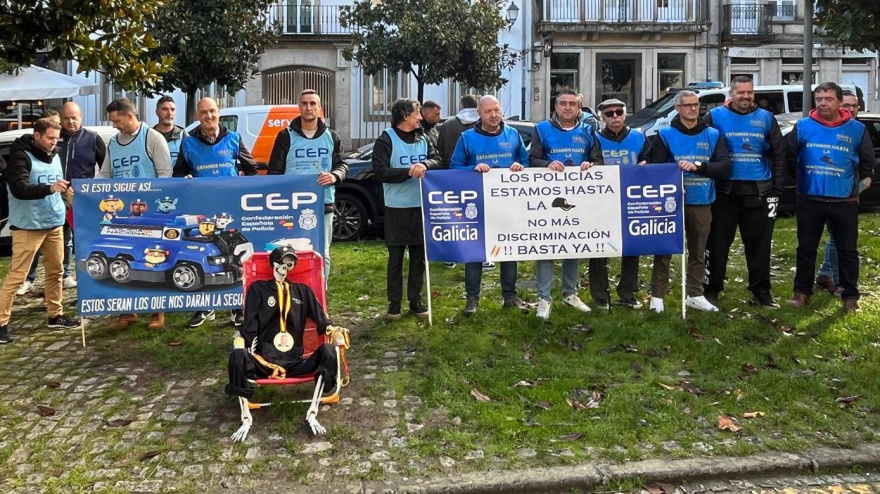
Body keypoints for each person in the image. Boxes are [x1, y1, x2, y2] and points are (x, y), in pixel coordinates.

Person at [784, 82, 873, 312]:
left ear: (839, 102)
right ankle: (802, 292)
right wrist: (804, 179)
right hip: (810, 198)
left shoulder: (856, 129)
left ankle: (850, 296)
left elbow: (866, 163)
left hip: (844, 200)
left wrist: (852, 186)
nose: (823, 103)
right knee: (806, 248)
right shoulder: (803, 126)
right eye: (819, 99)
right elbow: (790, 157)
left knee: (847, 250)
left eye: (828, 99)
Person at [703, 76, 787, 309]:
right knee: (717, 242)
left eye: (750, 92)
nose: (746, 97)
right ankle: (711, 289)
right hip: (724, 190)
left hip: (759, 190)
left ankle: (761, 291)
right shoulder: (715, 116)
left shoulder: (766, 118)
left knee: (759, 245)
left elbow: (779, 154)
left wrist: (778, 188)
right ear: (731, 94)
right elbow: (703, 148)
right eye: (741, 92)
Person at [175, 97, 258, 328]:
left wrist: (243, 181)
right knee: (205, 255)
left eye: (212, 111)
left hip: (230, 209)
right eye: (203, 113)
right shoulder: (188, 143)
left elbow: (252, 170)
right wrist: (185, 179)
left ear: (219, 113)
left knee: (233, 258)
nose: (208, 116)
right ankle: (206, 307)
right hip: (203, 211)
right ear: (197, 116)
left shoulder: (234, 139)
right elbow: (178, 175)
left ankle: (237, 308)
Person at [645, 90, 731, 313]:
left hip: (701, 201)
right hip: (670, 203)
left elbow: (724, 166)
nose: (693, 109)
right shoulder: (665, 135)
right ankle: (657, 296)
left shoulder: (712, 134)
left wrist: (699, 167)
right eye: (688, 105)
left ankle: (695, 293)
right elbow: (656, 168)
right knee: (664, 249)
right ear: (678, 109)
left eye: (696, 105)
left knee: (698, 251)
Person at [0, 118, 80, 344]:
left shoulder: (55, 154)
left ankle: (55, 315)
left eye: (57, 138)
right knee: (18, 276)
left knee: (56, 272)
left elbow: (57, 184)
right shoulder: (20, 157)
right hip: (28, 225)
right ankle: (1, 323)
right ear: (37, 135)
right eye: (50, 138)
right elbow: (18, 189)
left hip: (53, 222)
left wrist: (66, 196)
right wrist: (49, 188)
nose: (54, 143)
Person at [451, 95, 530, 316]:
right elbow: (454, 166)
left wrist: (519, 166)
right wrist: (473, 169)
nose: (494, 115)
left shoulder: (513, 134)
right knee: (475, 252)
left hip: (508, 204)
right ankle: (472, 299)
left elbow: (526, 162)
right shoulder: (467, 138)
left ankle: (510, 297)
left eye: (497, 110)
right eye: (488, 111)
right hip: (477, 204)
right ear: (479, 113)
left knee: (508, 250)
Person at [99, 98, 172, 330]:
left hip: (149, 215)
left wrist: (157, 208)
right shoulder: (113, 143)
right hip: (122, 215)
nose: (115, 126)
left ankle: (156, 312)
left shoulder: (152, 138)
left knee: (152, 258)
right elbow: (105, 174)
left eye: (117, 121)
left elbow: (165, 174)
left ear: (130, 116)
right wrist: (86, 188)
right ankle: (127, 311)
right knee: (123, 257)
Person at [529, 89, 600, 320]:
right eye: (562, 103)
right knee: (546, 245)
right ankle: (544, 297)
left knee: (574, 244)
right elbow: (532, 159)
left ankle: (570, 293)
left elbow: (598, 160)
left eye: (572, 104)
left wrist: (591, 164)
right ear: (555, 107)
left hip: (579, 196)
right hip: (549, 197)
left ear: (579, 108)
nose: (567, 107)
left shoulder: (589, 130)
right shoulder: (541, 129)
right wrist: (547, 164)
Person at [267, 89, 347, 286]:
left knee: (323, 253)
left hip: (323, 204)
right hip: (291, 205)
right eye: (304, 103)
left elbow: (342, 165)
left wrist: (335, 175)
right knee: (291, 252)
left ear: (320, 108)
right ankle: (295, 293)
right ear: (299, 107)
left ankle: (320, 297)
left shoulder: (332, 136)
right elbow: (274, 173)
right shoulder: (285, 136)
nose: (309, 107)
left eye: (313, 103)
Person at [372, 98, 441, 320]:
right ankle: (394, 304)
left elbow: (437, 160)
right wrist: (407, 172)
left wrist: (425, 165)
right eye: (416, 113)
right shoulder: (386, 139)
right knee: (396, 258)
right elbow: (380, 171)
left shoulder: (423, 136)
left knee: (419, 257)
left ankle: (415, 300)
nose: (420, 117)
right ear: (404, 116)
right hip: (396, 207)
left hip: (420, 205)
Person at [591, 98, 654, 310]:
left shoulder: (638, 136)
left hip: (632, 198)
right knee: (599, 247)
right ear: (602, 118)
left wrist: (647, 164)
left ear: (625, 114)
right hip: (603, 200)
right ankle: (600, 295)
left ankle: (628, 292)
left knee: (631, 247)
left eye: (619, 112)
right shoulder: (595, 138)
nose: (615, 116)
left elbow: (649, 160)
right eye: (609, 114)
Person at [815, 89, 862, 296]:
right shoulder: (826, 130)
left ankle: (827, 273)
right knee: (836, 238)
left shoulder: (858, 130)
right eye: (847, 105)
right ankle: (831, 276)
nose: (850, 110)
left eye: (855, 106)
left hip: (848, 193)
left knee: (839, 238)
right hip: (823, 193)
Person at [437, 94, 479, 167]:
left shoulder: (448, 124)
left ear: (461, 105)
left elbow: (440, 148)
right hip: (479, 170)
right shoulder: (485, 124)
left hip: (451, 169)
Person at [153, 95, 186, 165]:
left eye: (172, 109)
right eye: (165, 109)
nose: (169, 113)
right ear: (157, 112)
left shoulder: (183, 136)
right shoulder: (149, 135)